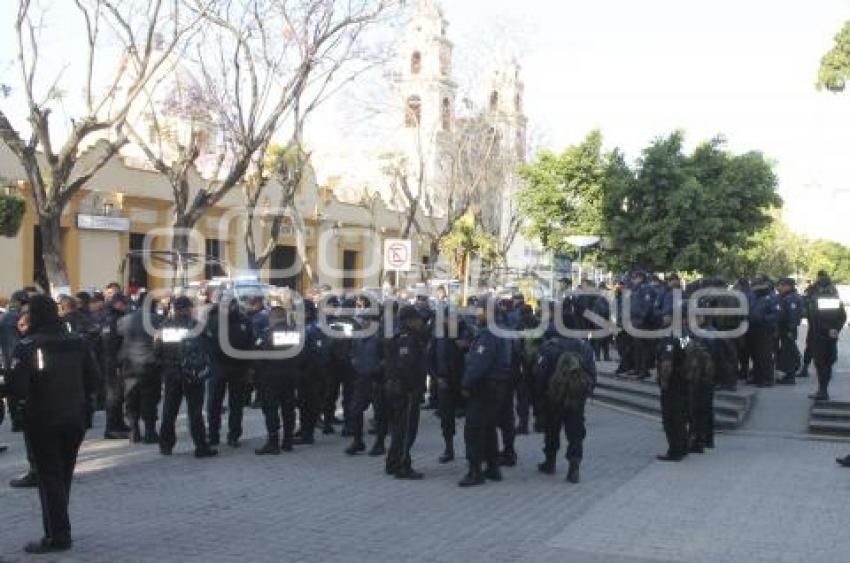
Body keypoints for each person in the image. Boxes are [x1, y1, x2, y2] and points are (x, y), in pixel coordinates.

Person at [7, 295, 98, 553]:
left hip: (43, 419)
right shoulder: (77, 342)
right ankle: (60, 526)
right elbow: (94, 379)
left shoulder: (27, 345)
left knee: (50, 479)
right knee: (63, 475)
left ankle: (57, 536)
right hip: (75, 418)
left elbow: (18, 387)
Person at [534, 309, 596, 483]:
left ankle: (550, 462)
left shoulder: (549, 347)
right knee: (575, 432)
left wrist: (539, 398)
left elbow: (540, 374)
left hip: (553, 397)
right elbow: (591, 373)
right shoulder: (585, 348)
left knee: (552, 430)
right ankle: (574, 466)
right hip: (576, 398)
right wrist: (587, 392)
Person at [458, 298, 513, 487]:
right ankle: (493, 467)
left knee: (474, 431)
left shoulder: (488, 336)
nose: (476, 314)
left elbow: (479, 365)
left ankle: (475, 471)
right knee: (489, 429)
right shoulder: (499, 332)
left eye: (479, 311)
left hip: (484, 388)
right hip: (496, 387)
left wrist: (465, 384)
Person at [156, 296, 217, 458]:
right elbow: (209, 349)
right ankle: (201, 447)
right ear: (189, 309)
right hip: (193, 375)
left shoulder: (164, 327)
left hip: (171, 374)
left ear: (174, 309)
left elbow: (157, 352)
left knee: (169, 410)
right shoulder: (197, 326)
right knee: (195, 412)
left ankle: (165, 445)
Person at [383, 305, 427, 479]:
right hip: (406, 391)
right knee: (406, 430)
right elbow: (405, 366)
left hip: (399, 389)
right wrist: (412, 388)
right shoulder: (407, 339)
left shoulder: (403, 336)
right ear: (408, 321)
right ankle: (402, 465)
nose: (419, 322)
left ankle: (392, 461)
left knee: (399, 428)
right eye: (416, 319)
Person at [255, 305, 305, 454]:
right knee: (288, 408)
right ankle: (288, 441)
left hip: (270, 377)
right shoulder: (295, 334)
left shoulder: (267, 334)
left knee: (271, 409)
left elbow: (259, 356)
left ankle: (273, 442)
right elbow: (301, 355)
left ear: (273, 319)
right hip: (290, 376)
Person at [206, 295, 254, 447]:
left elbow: (250, 344)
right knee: (214, 403)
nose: (228, 309)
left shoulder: (244, 321)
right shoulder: (213, 320)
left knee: (236, 404)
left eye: (231, 305)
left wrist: (249, 367)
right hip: (217, 367)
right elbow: (206, 344)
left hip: (238, 367)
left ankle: (234, 435)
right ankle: (213, 434)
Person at [116, 295, 163, 443]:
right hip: (149, 364)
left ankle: (134, 430)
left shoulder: (124, 320)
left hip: (129, 364)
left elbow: (119, 337)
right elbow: (161, 341)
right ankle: (150, 432)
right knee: (150, 397)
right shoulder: (157, 319)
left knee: (131, 396)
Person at [431, 303, 471, 463]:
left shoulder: (467, 333)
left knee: (472, 421)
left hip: (465, 383)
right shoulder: (439, 335)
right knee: (446, 419)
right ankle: (449, 449)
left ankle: (473, 451)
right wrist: (437, 378)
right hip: (445, 383)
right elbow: (431, 358)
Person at [345, 307, 383, 455]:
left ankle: (379, 443)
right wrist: (354, 360)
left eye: (365, 319)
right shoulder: (358, 336)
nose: (362, 322)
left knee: (380, 413)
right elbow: (352, 351)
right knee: (355, 410)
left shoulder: (382, 337)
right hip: (361, 379)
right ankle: (357, 441)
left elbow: (388, 357)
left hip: (377, 380)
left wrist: (379, 368)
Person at [805, 271, 846, 401]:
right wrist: (835, 329)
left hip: (819, 336)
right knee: (828, 362)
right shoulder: (834, 299)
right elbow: (842, 317)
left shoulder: (817, 299)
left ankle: (822, 391)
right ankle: (823, 390)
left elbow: (815, 317)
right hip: (830, 336)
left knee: (821, 363)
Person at [775, 278, 803, 385]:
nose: (779, 288)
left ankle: (790, 376)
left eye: (781, 285)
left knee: (788, 353)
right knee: (786, 352)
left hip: (788, 329)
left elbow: (793, 316)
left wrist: (790, 329)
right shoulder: (785, 297)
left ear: (788, 286)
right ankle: (787, 374)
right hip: (784, 329)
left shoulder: (791, 298)